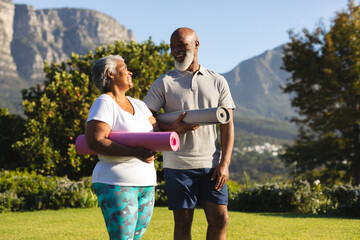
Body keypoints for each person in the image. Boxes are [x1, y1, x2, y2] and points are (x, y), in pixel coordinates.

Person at [144, 27, 235, 240]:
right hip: (178, 166)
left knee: (220, 219)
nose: (176, 51)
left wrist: (225, 163)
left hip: (212, 165)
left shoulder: (217, 80)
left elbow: (227, 124)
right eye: (172, 47)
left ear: (196, 45)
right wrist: (173, 129)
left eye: (182, 46)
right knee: (183, 224)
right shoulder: (164, 82)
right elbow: (145, 119)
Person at [85, 55, 159, 240]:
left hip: (146, 183)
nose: (129, 71)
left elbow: (158, 132)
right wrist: (134, 153)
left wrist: (182, 125)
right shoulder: (104, 102)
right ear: (110, 74)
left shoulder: (139, 105)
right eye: (124, 68)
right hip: (116, 182)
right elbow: (95, 140)